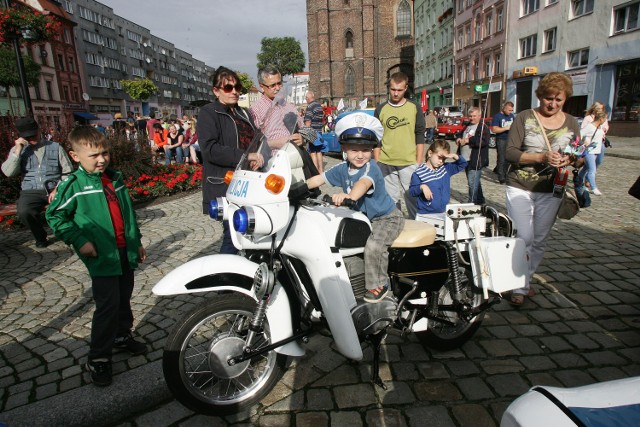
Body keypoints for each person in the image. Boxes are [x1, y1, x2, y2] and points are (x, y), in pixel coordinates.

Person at [46, 126, 147, 387]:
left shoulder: (115, 178)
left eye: (105, 153)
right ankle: (98, 357)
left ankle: (121, 336)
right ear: (75, 156)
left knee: (124, 295)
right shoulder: (73, 185)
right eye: (94, 155)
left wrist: (137, 243)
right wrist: (80, 240)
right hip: (101, 255)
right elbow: (55, 216)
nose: (102, 159)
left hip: (124, 250)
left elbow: (128, 215)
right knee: (107, 305)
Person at [306, 112, 404, 303]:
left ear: (372, 150)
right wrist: (293, 186)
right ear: (344, 149)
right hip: (365, 219)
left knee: (374, 246)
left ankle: (380, 285)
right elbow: (319, 178)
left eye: (365, 150)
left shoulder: (371, 168)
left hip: (387, 218)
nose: (360, 155)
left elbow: (363, 184)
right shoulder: (342, 169)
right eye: (354, 150)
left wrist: (349, 196)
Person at [505, 72, 582, 306]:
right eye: (549, 98)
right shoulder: (525, 117)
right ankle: (517, 286)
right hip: (520, 184)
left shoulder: (571, 122)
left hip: (551, 188)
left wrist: (571, 160)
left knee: (539, 239)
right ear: (541, 96)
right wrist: (541, 156)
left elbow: (579, 156)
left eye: (559, 100)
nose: (553, 104)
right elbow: (510, 152)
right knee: (523, 236)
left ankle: (524, 281)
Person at [198, 66, 262, 254]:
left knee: (250, 232)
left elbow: (256, 140)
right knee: (232, 234)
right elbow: (210, 149)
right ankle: (225, 275)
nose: (234, 91)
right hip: (226, 183)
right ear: (216, 91)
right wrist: (245, 156)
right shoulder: (209, 113)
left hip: (248, 181)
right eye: (228, 88)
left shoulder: (244, 113)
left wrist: (259, 154)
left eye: (237, 87)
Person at [1, 117, 73, 247]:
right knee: (24, 211)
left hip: (55, 187)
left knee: (69, 205)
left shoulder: (55, 147)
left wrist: (58, 188)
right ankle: (40, 237)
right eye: (27, 136)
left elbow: (67, 172)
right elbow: (8, 172)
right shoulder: (17, 150)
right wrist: (18, 150)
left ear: (39, 131)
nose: (32, 138)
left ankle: (70, 234)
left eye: (34, 134)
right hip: (30, 191)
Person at [374, 71, 426, 219]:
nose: (395, 93)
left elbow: (420, 134)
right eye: (393, 89)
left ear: (405, 88)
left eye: (399, 90)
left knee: (412, 196)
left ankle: (417, 225)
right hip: (386, 162)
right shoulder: (381, 109)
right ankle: (396, 224)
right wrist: (377, 160)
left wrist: (419, 160)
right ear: (389, 88)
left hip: (409, 161)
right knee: (391, 199)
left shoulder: (414, 107)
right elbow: (376, 137)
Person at [250, 65, 304, 151]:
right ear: (261, 87)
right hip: (272, 161)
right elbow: (251, 144)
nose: (278, 88)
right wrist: (275, 143)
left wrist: (303, 138)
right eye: (273, 85)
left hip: (297, 159)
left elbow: (306, 130)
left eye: (279, 83)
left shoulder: (289, 106)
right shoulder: (256, 110)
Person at [410, 140, 467, 217]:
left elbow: (463, 164)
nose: (441, 161)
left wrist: (455, 156)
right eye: (439, 157)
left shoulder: (445, 168)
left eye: (444, 159)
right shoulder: (419, 173)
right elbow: (412, 191)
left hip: (443, 212)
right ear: (430, 153)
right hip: (425, 214)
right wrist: (422, 187)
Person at [456, 107, 490, 204]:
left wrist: (468, 140)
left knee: (472, 183)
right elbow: (460, 134)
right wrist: (458, 139)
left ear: (479, 116)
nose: (472, 118)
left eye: (474, 116)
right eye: (470, 116)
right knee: (475, 182)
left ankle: (472, 203)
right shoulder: (467, 125)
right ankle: (480, 200)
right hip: (465, 158)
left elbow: (483, 141)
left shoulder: (483, 127)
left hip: (475, 159)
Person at [577, 109, 607, 196]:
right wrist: (583, 143)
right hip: (589, 151)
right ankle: (594, 188)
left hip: (596, 151)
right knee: (592, 170)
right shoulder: (590, 127)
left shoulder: (599, 127)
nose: (605, 121)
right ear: (600, 119)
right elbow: (579, 135)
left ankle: (579, 181)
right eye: (605, 119)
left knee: (585, 169)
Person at [491, 101, 515, 184]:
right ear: (504, 108)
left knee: (508, 158)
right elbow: (494, 129)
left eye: (511, 110)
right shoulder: (498, 117)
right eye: (509, 110)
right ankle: (501, 177)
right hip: (501, 139)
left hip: (510, 139)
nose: (510, 112)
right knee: (501, 158)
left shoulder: (511, 116)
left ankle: (505, 173)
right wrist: (506, 128)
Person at [304, 90, 326, 173]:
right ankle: (321, 171)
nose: (306, 100)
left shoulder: (310, 107)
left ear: (308, 98)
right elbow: (322, 120)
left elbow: (308, 122)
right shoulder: (319, 106)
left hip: (312, 132)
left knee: (313, 152)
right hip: (319, 131)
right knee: (319, 151)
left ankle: (315, 171)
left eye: (306, 98)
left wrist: (306, 134)